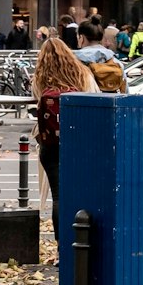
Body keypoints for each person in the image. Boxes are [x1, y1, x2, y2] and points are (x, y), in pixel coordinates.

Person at [31, 36, 94, 244]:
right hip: (79, 141)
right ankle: (80, 241)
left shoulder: (40, 78)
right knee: (81, 193)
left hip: (50, 144)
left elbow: (36, 98)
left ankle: (62, 246)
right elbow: (93, 97)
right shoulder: (83, 74)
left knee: (58, 195)